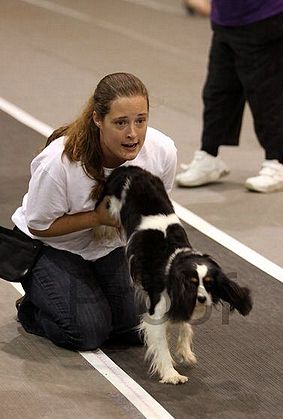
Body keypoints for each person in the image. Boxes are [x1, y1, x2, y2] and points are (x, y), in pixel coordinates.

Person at [12, 72, 177, 351]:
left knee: (142, 325)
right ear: (98, 120)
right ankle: (33, 308)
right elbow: (39, 225)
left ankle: (86, 291)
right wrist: (98, 218)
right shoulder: (60, 162)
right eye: (120, 123)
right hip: (49, 246)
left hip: (105, 247)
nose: (132, 133)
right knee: (87, 333)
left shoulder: (162, 151)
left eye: (141, 120)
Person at [176, 1, 283, 193]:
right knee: (218, 90)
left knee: (270, 94)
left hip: (271, 13)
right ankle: (209, 156)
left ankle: (279, 163)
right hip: (227, 16)